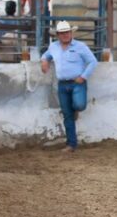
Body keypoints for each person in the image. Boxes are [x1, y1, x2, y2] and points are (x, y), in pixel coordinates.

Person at [41, 20, 99, 152]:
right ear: (57, 35)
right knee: (67, 115)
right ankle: (71, 144)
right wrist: (44, 61)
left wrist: (83, 77)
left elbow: (92, 62)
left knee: (79, 105)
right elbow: (46, 55)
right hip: (62, 84)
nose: (65, 35)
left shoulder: (80, 46)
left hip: (77, 82)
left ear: (71, 33)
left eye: (67, 32)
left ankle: (75, 111)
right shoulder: (53, 46)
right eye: (62, 33)